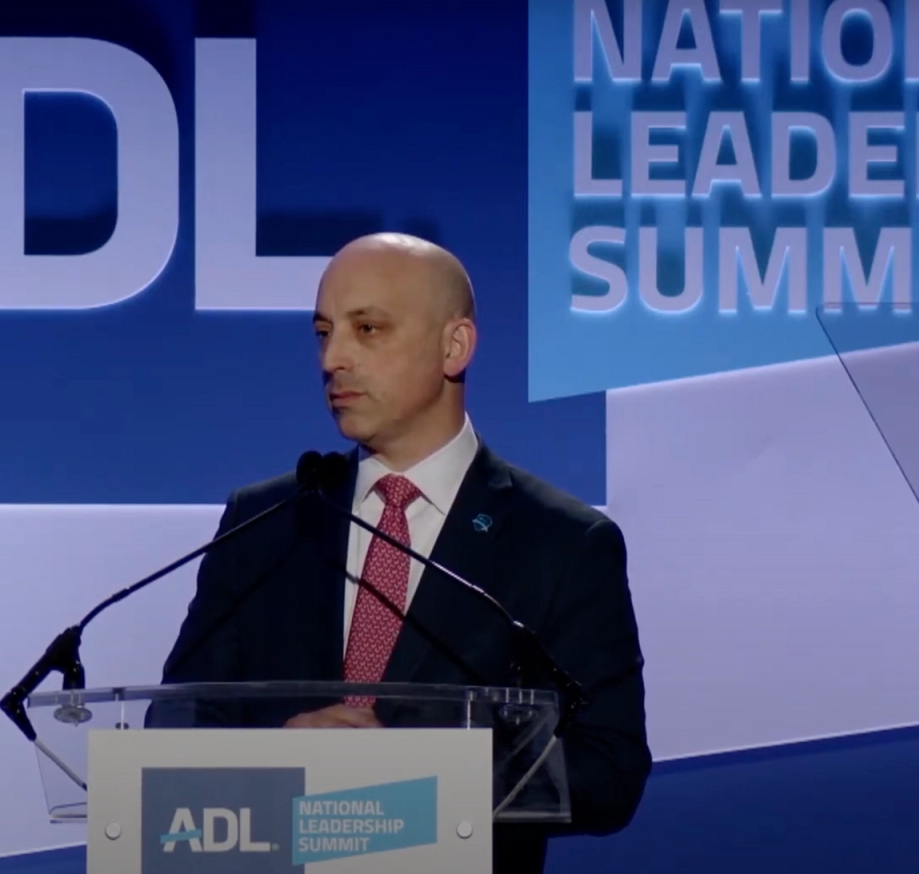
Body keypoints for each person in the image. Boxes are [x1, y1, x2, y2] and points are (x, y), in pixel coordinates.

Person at [159, 232, 650, 872]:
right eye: (324, 332)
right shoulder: (264, 524)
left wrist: (417, 776)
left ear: (454, 347)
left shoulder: (563, 543)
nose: (333, 358)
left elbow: (608, 770)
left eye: (367, 329)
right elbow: (175, 725)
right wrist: (274, 757)